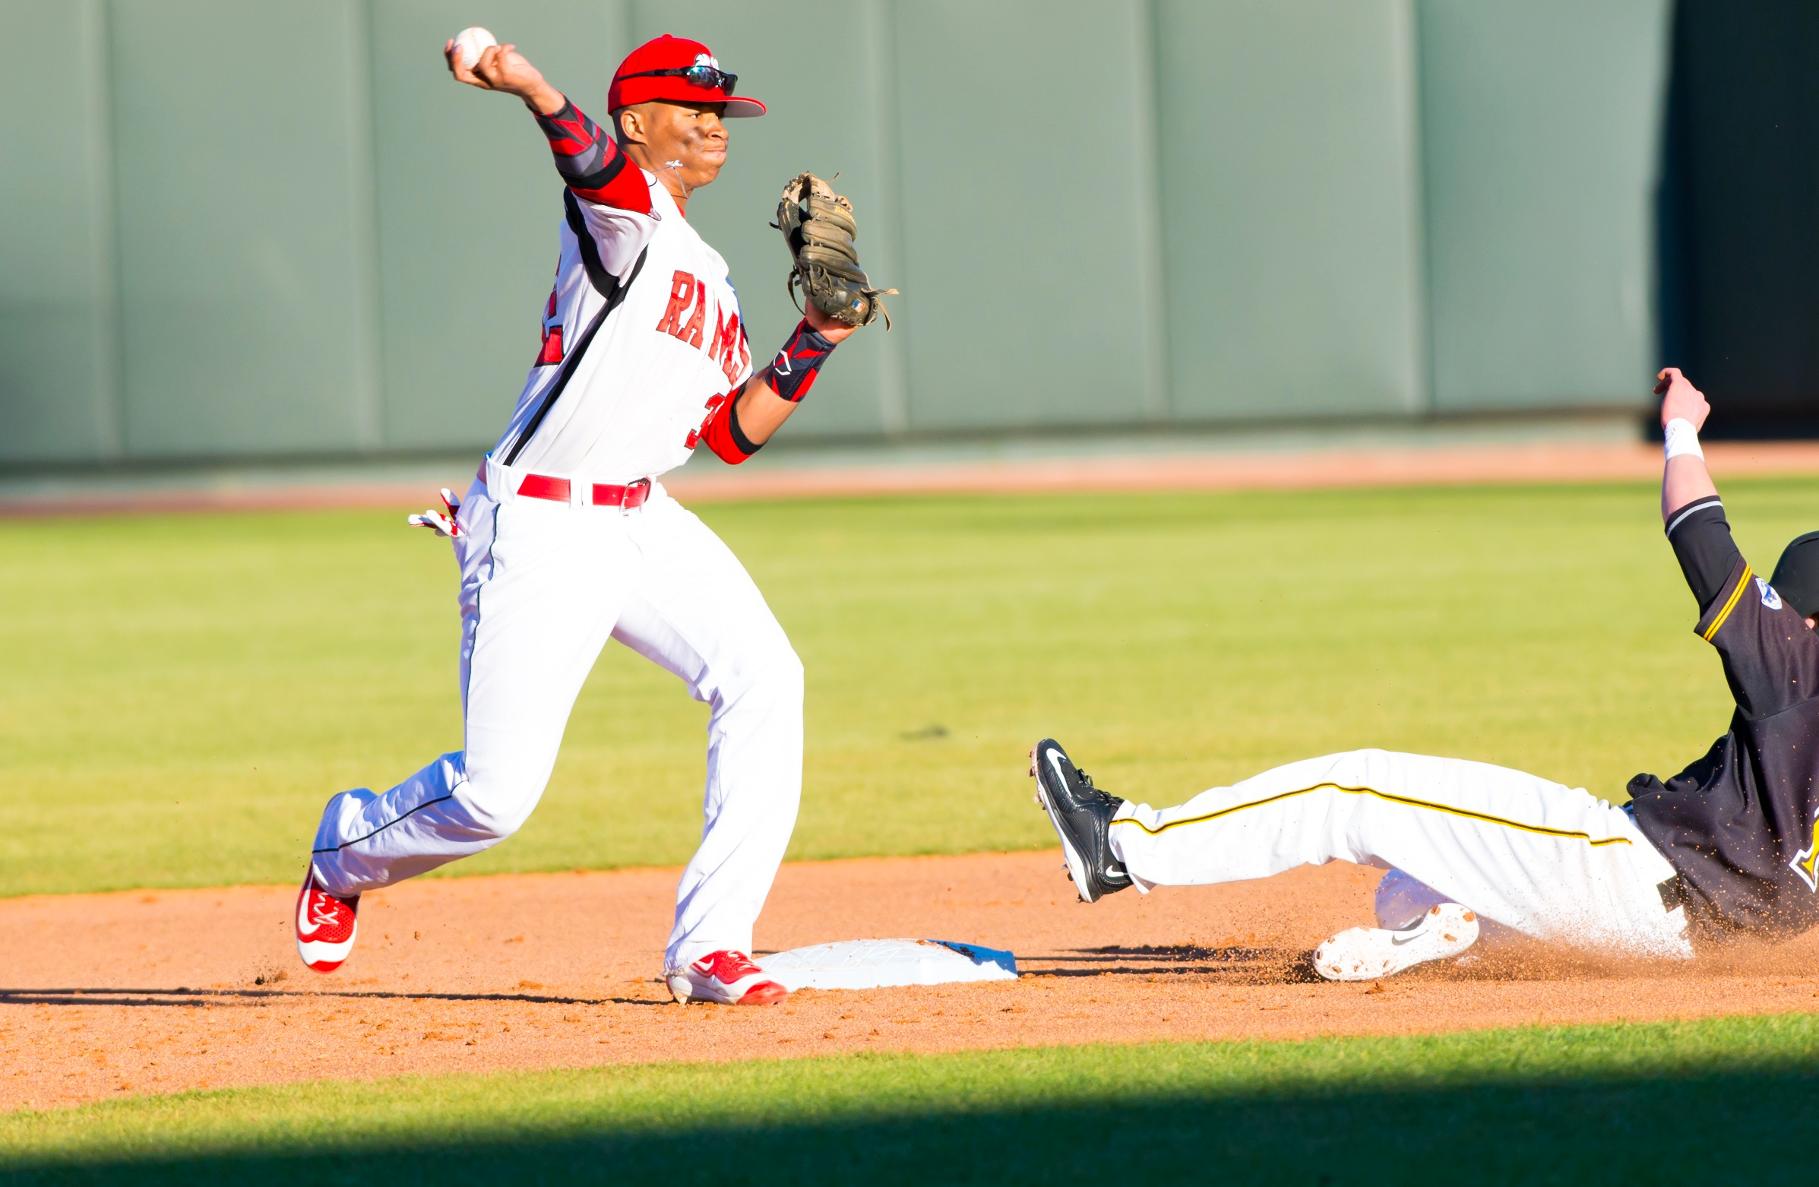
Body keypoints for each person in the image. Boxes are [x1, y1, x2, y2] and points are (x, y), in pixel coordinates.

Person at [294, 32, 870, 1006]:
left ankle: (711, 945)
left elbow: (728, 434)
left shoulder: (716, 276)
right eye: (694, 109)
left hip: (643, 514)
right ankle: (345, 850)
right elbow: (587, 159)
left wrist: (812, 341)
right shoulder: (627, 215)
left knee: (766, 676)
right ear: (640, 121)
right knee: (492, 795)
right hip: (541, 523)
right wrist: (526, 83)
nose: (713, 126)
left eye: (720, 112)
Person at [1030, 367, 1819, 980]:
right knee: (1406, 888)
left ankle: (1122, 845)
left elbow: (1696, 531)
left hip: (1624, 875)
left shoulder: (1796, 658)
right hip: (1694, 944)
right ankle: (1453, 937)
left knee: (1356, 791)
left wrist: (1680, 427)